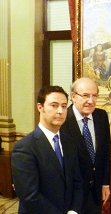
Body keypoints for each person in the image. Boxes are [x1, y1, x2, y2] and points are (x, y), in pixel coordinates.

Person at [11, 85, 83, 214]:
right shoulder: (25, 147)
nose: (60, 111)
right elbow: (29, 196)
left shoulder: (69, 143)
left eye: (64, 106)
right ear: (40, 107)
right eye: (54, 105)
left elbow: (78, 182)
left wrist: (74, 210)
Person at [61, 77, 111, 214]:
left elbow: (105, 153)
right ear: (73, 97)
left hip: (95, 192)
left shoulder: (101, 116)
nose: (91, 100)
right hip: (71, 194)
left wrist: (105, 183)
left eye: (94, 95)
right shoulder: (62, 120)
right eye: (85, 95)